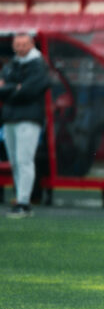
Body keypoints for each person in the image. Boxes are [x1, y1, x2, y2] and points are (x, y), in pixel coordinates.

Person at [0, 32, 50, 218]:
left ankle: (24, 202)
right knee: (14, 161)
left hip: (29, 118)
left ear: (31, 44)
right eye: (17, 44)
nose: (20, 48)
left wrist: (9, 89)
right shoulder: (12, 64)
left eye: (23, 44)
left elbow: (30, 90)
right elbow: (6, 88)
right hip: (10, 118)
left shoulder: (39, 65)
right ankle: (20, 198)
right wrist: (15, 88)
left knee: (24, 159)